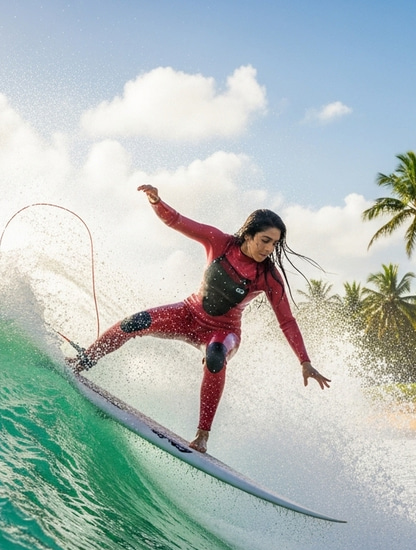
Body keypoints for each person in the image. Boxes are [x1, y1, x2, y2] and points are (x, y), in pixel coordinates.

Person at [70, 184, 331, 453]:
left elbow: (286, 320)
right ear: (249, 234)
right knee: (132, 323)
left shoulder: (268, 276)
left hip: (222, 332)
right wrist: (156, 201)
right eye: (265, 240)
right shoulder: (219, 242)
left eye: (275, 243)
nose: (269, 248)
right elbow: (177, 221)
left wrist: (305, 361)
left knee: (216, 357)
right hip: (187, 314)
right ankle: (83, 361)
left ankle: (202, 435)